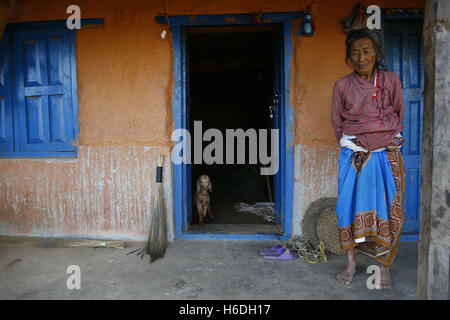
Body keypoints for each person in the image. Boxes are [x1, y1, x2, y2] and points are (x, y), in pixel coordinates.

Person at [331, 28, 406, 289]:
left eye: (366, 51)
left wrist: (380, 141)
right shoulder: (342, 86)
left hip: (385, 155)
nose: (361, 57)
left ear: (376, 53)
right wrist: (358, 144)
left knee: (387, 207)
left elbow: (398, 116)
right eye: (355, 53)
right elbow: (338, 124)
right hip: (354, 155)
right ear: (349, 58)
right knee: (346, 208)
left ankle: (383, 265)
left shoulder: (391, 81)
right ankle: (350, 263)